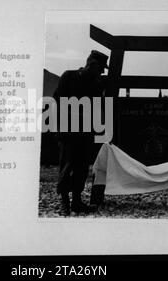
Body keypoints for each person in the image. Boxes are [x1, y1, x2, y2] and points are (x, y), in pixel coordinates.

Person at [53, 50, 108, 215]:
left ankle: (76, 202)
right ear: (92, 64)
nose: (102, 72)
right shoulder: (68, 76)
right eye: (100, 68)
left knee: (82, 167)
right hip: (68, 131)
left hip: (86, 132)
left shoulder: (97, 84)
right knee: (67, 166)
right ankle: (64, 203)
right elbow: (58, 100)